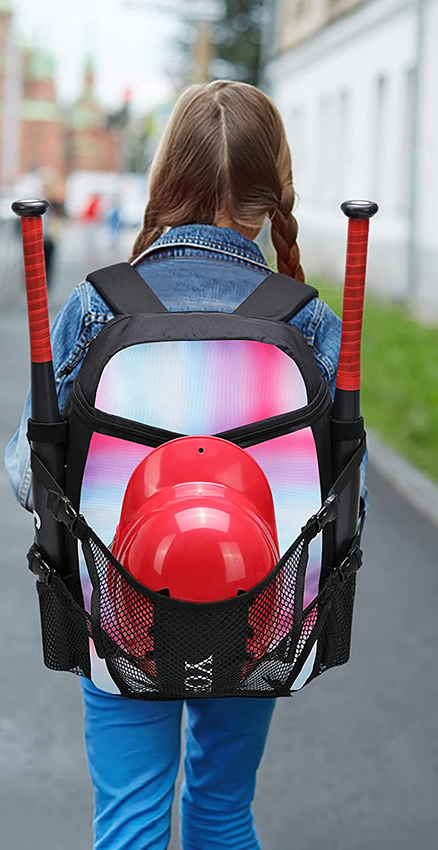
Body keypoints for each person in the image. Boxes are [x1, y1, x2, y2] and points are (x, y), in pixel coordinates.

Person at [5, 80, 341, 850]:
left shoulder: (97, 306)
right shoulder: (306, 316)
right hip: (259, 606)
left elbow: (31, 477)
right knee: (223, 813)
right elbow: (334, 494)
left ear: (165, 174)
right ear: (270, 191)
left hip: (119, 607)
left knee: (130, 823)